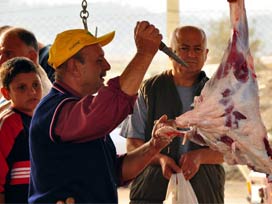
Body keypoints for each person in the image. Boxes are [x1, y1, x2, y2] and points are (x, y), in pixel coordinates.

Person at [28, 21, 182, 203]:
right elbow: (109, 108)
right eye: (99, 60)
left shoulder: (79, 112)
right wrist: (145, 53)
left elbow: (115, 171)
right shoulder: (53, 110)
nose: (107, 66)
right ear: (74, 67)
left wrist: (154, 145)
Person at [120, 25, 225, 204]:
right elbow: (132, 144)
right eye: (184, 48)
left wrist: (199, 157)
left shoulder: (218, 94)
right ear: (170, 52)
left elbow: (231, 149)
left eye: (197, 49)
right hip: (150, 190)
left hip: (205, 192)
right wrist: (159, 158)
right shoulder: (149, 89)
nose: (191, 55)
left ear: (206, 54)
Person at [0, 57, 42, 203]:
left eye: (36, 84)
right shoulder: (9, 123)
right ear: (6, 93)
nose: (32, 91)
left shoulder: (42, 120)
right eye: (22, 87)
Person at [0, 27, 52, 96]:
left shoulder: (33, 96)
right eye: (0, 54)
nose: (1, 61)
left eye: (8, 54)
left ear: (31, 57)